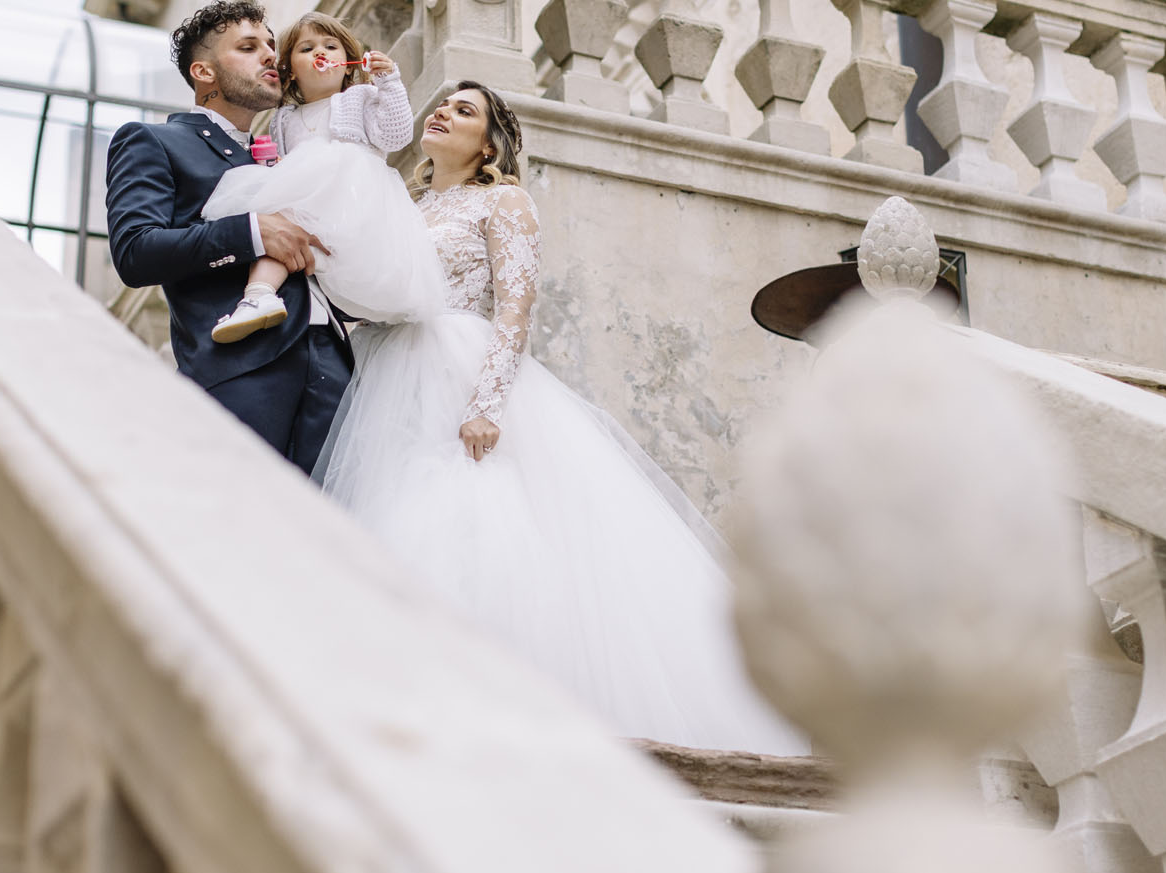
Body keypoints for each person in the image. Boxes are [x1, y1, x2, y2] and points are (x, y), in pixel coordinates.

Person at [316, 80, 805, 754]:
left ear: (489, 146)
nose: (443, 112)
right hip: (390, 378)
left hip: (462, 372)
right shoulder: (408, 205)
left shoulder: (504, 201)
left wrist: (486, 404)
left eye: (464, 110)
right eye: (443, 104)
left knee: (471, 527)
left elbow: (515, 306)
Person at [104, 0, 351, 472]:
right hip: (242, 371)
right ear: (204, 72)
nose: (270, 55)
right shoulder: (153, 141)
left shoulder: (293, 152)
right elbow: (135, 251)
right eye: (248, 47)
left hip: (336, 365)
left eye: (271, 46)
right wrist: (255, 232)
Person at [202, 11, 441, 339]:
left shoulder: (360, 97)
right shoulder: (284, 118)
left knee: (316, 246)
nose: (320, 52)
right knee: (281, 234)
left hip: (354, 210)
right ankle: (259, 295)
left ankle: (267, 296)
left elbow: (396, 136)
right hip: (309, 214)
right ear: (290, 70)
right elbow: (288, 168)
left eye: (331, 46)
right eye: (307, 48)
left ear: (348, 64)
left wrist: (389, 82)